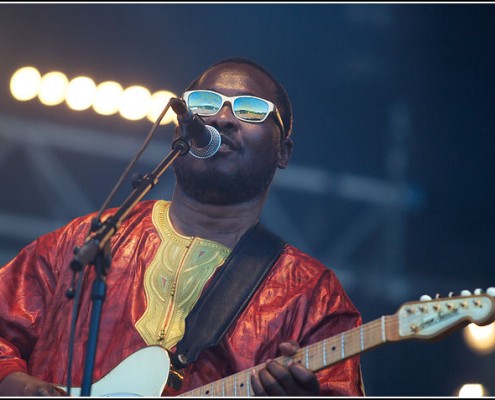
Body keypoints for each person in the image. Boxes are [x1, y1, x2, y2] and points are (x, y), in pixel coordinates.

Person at [0, 57, 365, 397]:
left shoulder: (312, 295)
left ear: (283, 152)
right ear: (182, 128)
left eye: (250, 110)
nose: (222, 118)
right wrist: (22, 388)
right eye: (205, 104)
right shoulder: (87, 240)